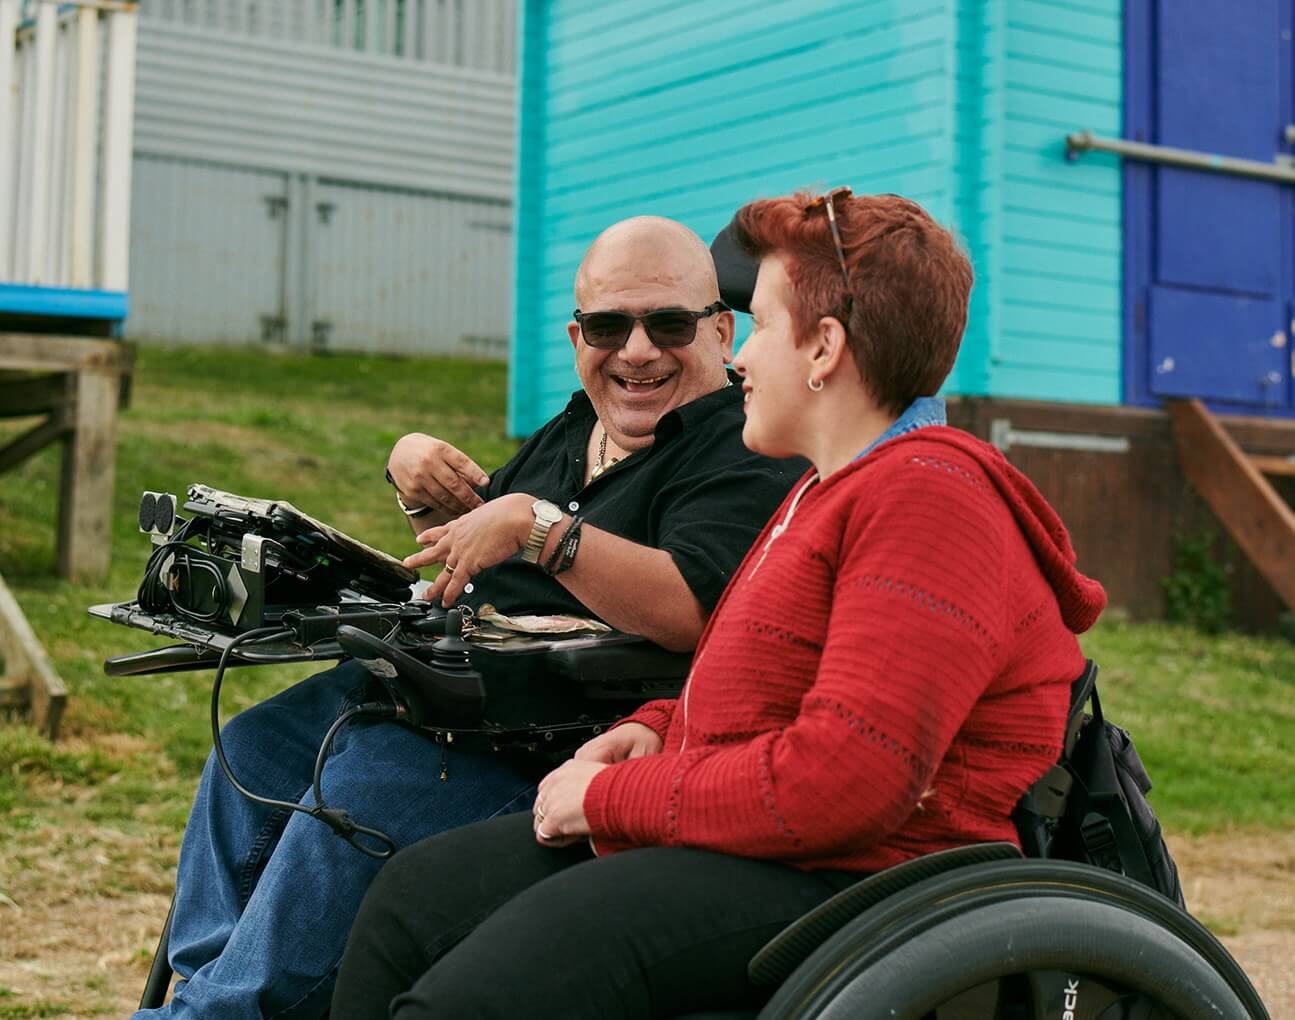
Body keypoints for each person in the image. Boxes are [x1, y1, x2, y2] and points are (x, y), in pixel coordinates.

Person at [331, 188, 1109, 1020]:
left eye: (762, 325)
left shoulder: (926, 505)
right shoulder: (825, 491)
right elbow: (775, 682)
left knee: (471, 1000)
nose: (738, 360)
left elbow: (845, 780)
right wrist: (660, 726)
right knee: (415, 898)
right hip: (765, 840)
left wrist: (605, 800)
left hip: (860, 876)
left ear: (824, 349)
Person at [136, 217, 806, 1020]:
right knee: (249, 748)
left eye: (667, 324)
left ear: (720, 329)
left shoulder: (736, 442)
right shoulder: (573, 428)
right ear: (575, 334)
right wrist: (417, 475)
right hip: (441, 688)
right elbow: (474, 540)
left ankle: (224, 1010)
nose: (635, 350)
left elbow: (691, 606)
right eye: (606, 326)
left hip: (547, 735)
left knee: (350, 793)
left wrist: (540, 530)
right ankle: (206, 993)